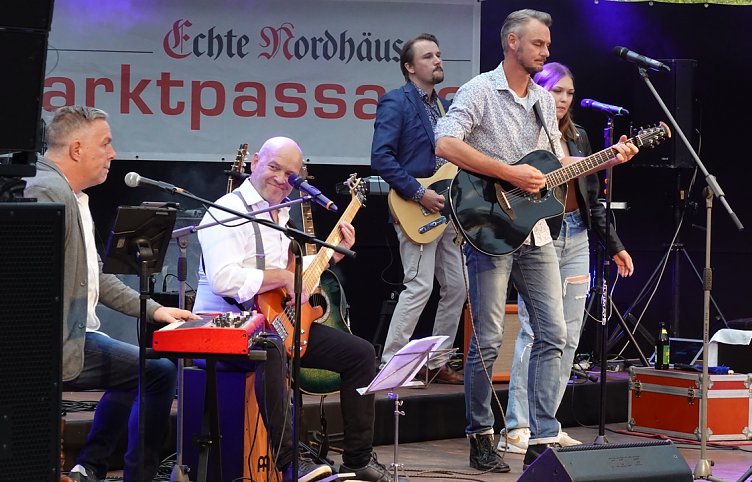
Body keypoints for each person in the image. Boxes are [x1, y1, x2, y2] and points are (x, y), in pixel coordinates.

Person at [434, 10, 638, 471]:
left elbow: (556, 168)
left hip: (538, 230)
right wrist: (508, 172)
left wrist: (606, 160)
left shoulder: (544, 103)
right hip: (487, 224)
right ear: (512, 42)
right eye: (539, 45)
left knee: (555, 332)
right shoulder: (480, 91)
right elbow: (444, 143)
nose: (546, 53)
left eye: (547, 45)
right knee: (487, 338)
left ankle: (543, 434)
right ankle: (481, 434)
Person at [192, 136, 393, 482]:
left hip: (273, 323)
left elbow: (296, 278)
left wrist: (333, 254)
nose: (281, 179)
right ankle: (291, 463)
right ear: (255, 162)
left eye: (290, 175)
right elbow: (225, 279)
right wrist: (281, 277)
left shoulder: (280, 215)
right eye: (274, 167)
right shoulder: (224, 211)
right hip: (225, 329)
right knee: (270, 351)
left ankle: (357, 459)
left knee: (360, 354)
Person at [24, 105, 199, 482]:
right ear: (76, 150)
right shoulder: (46, 193)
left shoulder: (73, 195)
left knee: (143, 369)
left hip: (77, 334)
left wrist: (155, 311)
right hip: (49, 346)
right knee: (154, 372)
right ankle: (131, 473)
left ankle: (91, 466)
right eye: (105, 143)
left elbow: (95, 278)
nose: (113, 153)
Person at [497, 62, 635, 454]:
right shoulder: (527, 132)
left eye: (569, 93)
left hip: (576, 235)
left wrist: (616, 245)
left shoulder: (580, 137)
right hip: (538, 237)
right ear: (538, 90)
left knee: (569, 335)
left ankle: (547, 424)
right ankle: (517, 425)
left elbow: (592, 199)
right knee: (535, 331)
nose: (563, 99)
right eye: (556, 91)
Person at [371, 33, 466, 384]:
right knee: (420, 286)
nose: (437, 60)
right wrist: (417, 193)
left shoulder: (442, 107)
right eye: (428, 56)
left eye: (439, 55)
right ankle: (390, 365)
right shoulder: (395, 102)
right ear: (410, 67)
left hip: (445, 209)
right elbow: (381, 157)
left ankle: (437, 362)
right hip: (416, 205)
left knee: (456, 287)